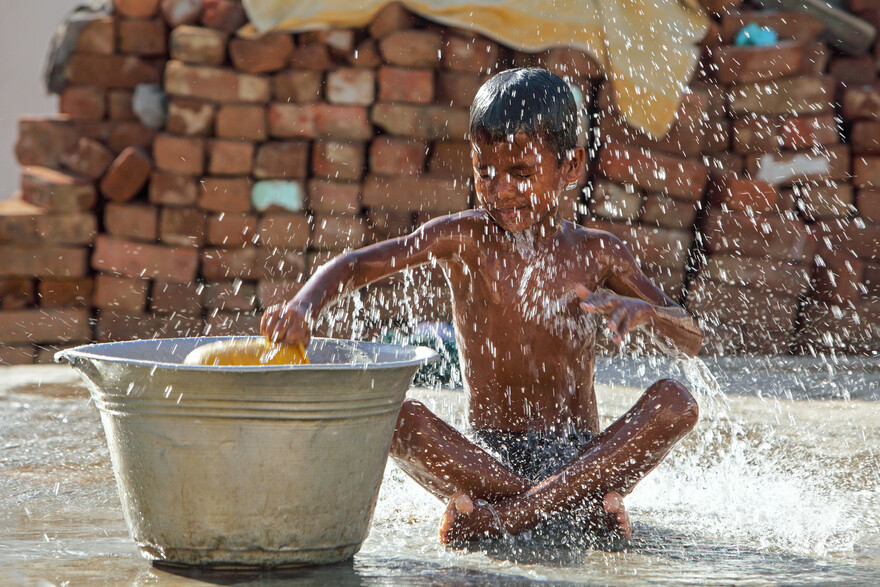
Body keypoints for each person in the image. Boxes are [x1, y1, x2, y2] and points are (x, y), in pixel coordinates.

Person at [261, 68, 702, 545]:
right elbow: (357, 266)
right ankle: (572, 509)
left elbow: (691, 339)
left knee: (675, 402)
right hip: (488, 456)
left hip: (579, 453)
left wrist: (648, 313)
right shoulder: (464, 237)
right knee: (398, 417)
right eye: (484, 170)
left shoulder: (597, 253)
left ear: (572, 167)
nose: (500, 190)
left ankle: (505, 519)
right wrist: (304, 307)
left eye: (521, 173)